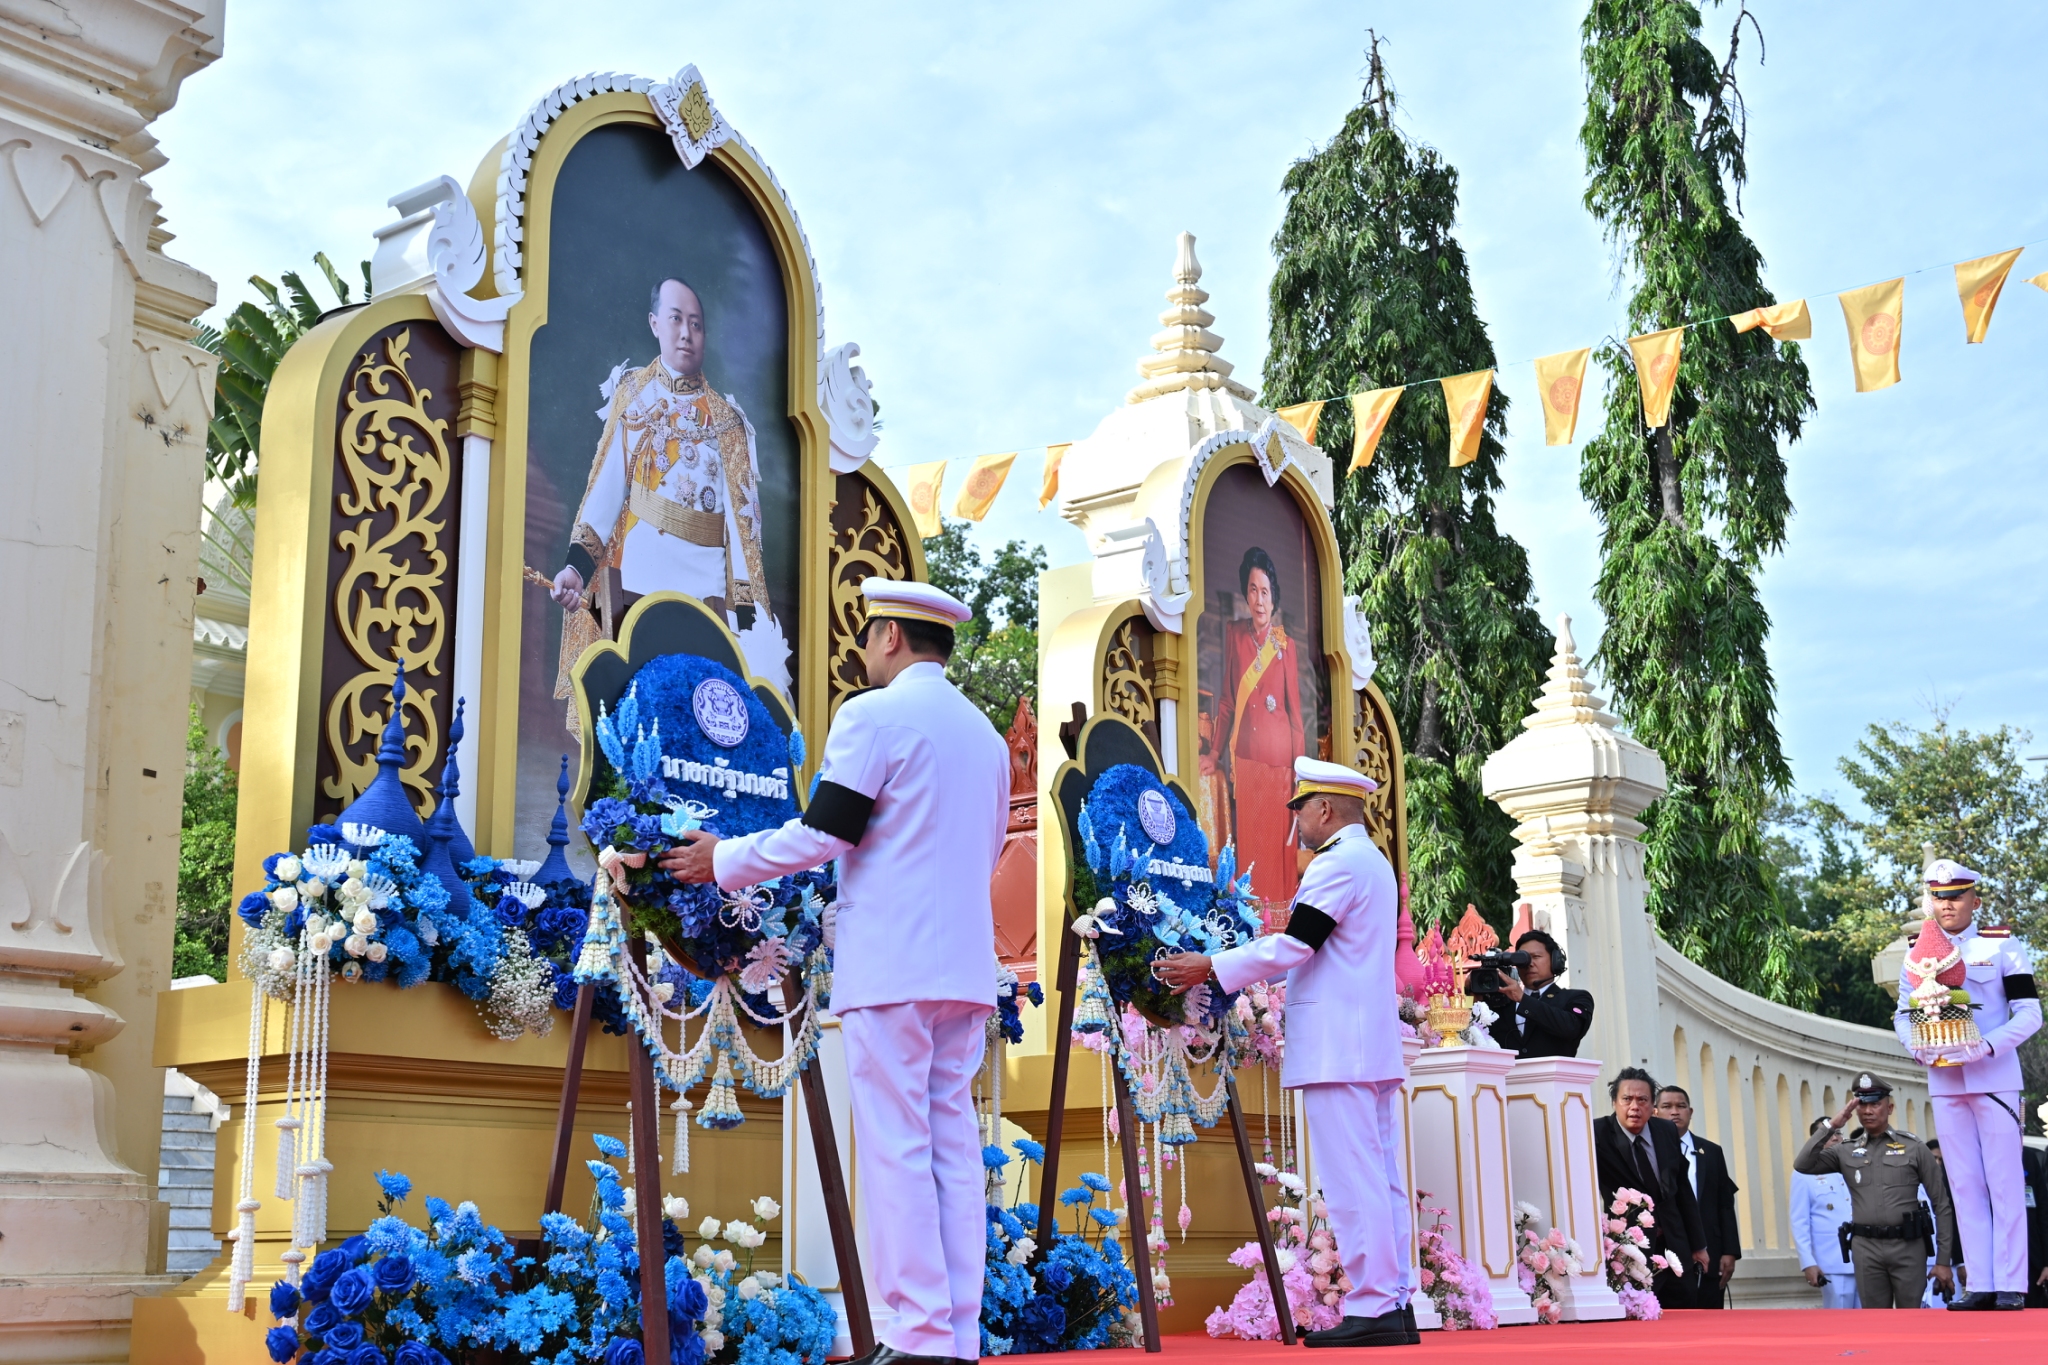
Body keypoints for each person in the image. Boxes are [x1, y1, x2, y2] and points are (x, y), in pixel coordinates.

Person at [660, 578, 1007, 1365]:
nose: (861, 651)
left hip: (893, 966)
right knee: (951, 1144)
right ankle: (954, 1336)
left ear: (889, 635)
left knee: (897, 1148)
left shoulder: (873, 715)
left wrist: (726, 860)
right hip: (961, 966)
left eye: (865, 635)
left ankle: (917, 1337)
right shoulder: (985, 736)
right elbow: (983, 853)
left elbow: (826, 832)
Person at [1154, 757, 1415, 1348]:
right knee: (1379, 1178)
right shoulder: (1370, 861)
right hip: (1363, 1045)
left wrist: (1214, 965)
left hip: (1338, 1048)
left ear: (1324, 809)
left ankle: (1375, 1307)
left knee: (1353, 1180)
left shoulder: (1337, 864)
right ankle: (1394, 1303)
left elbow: (1299, 942)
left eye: (1300, 809)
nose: (1297, 821)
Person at [552, 278, 773, 701]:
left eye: (696, 323)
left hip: (705, 585)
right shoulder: (634, 395)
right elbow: (607, 490)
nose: (687, 333)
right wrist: (576, 570)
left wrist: (748, 620)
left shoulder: (727, 422)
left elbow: (743, 534)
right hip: (641, 572)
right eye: (676, 319)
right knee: (638, 702)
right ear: (655, 324)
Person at [1893, 859, 2042, 1310]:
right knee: (1963, 1184)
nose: (1947, 904)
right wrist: (1916, 1047)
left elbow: (2030, 1014)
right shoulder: (1917, 951)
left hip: (1993, 1078)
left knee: (2004, 1182)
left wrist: (1987, 1048)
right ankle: (1979, 1282)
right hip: (1944, 1079)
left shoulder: (2000, 946)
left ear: (1975, 899)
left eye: (1956, 895)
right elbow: (1902, 1014)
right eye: (1938, 896)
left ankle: (2012, 1284)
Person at [1793, 1073, 1956, 1309]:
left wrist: (1943, 1261)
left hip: (1908, 1247)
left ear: (1889, 1108)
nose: (1867, 1111)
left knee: (1911, 1319)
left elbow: (1941, 1206)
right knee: (1873, 1322)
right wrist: (1833, 1125)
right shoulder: (1845, 1151)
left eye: (1875, 1104)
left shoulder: (1914, 1148)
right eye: (1862, 1104)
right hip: (1866, 1248)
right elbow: (1803, 1164)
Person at [1212, 547, 1306, 904]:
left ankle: (1280, 921)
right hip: (1248, 761)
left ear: (1274, 596)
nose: (1259, 599)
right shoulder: (1235, 635)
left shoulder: (1286, 646)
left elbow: (1296, 716)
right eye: (1253, 590)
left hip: (1281, 765)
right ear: (1245, 593)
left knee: (1278, 848)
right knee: (1252, 845)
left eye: (1265, 591)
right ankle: (1253, 922)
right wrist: (1214, 752)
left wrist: (1301, 775)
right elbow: (1226, 700)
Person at [1593, 1067, 1708, 1310]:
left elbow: (1683, 1190)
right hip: (1630, 1252)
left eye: (1642, 1100)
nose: (1634, 1106)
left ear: (1652, 1105)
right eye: (1627, 1099)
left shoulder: (1665, 1131)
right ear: (1615, 1102)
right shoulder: (1598, 1133)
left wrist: (1698, 1246)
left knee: (1685, 1315)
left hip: (1675, 1247)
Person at [1653, 1086, 1741, 1306]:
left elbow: (1725, 1204)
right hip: (1664, 1258)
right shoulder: (1648, 1150)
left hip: (1710, 1258)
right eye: (1667, 1106)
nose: (1675, 1112)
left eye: (1681, 1106)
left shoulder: (1711, 1152)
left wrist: (1730, 1251)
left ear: (1690, 1112)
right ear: (1655, 1112)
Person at [1467, 929, 1593, 1058]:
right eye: (1523, 959)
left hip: (1555, 1077)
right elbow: (1465, 1035)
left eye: (1536, 957)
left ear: (1556, 961)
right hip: (1508, 1077)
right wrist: (1469, 997)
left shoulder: (1576, 998)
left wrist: (1523, 999)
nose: (1529, 964)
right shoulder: (1499, 1003)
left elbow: (1571, 1028)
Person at [1790, 1116, 1861, 1309]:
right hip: (1831, 1262)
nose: (1836, 1137)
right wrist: (1808, 1262)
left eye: (1838, 1132)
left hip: (1865, 1259)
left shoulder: (1855, 1166)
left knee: (1869, 1319)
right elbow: (1800, 1222)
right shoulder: (1803, 1173)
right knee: (1840, 1320)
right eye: (1830, 1134)